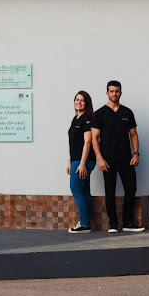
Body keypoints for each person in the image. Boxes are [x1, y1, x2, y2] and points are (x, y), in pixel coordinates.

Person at [91, 80, 145, 233]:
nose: (114, 94)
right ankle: (113, 224)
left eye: (117, 91)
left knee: (131, 188)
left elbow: (133, 134)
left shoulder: (127, 112)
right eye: (111, 91)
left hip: (126, 159)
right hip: (107, 160)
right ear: (107, 93)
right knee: (110, 191)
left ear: (121, 93)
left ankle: (128, 223)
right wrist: (100, 159)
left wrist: (136, 154)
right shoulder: (99, 114)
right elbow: (94, 138)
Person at [67, 90, 96, 233]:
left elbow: (88, 142)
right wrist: (70, 161)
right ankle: (85, 222)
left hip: (83, 161)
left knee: (76, 189)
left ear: (87, 103)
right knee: (84, 191)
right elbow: (74, 143)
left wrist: (82, 163)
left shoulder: (87, 119)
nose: (78, 102)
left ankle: (85, 224)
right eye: (76, 99)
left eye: (82, 100)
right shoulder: (75, 119)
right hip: (76, 160)